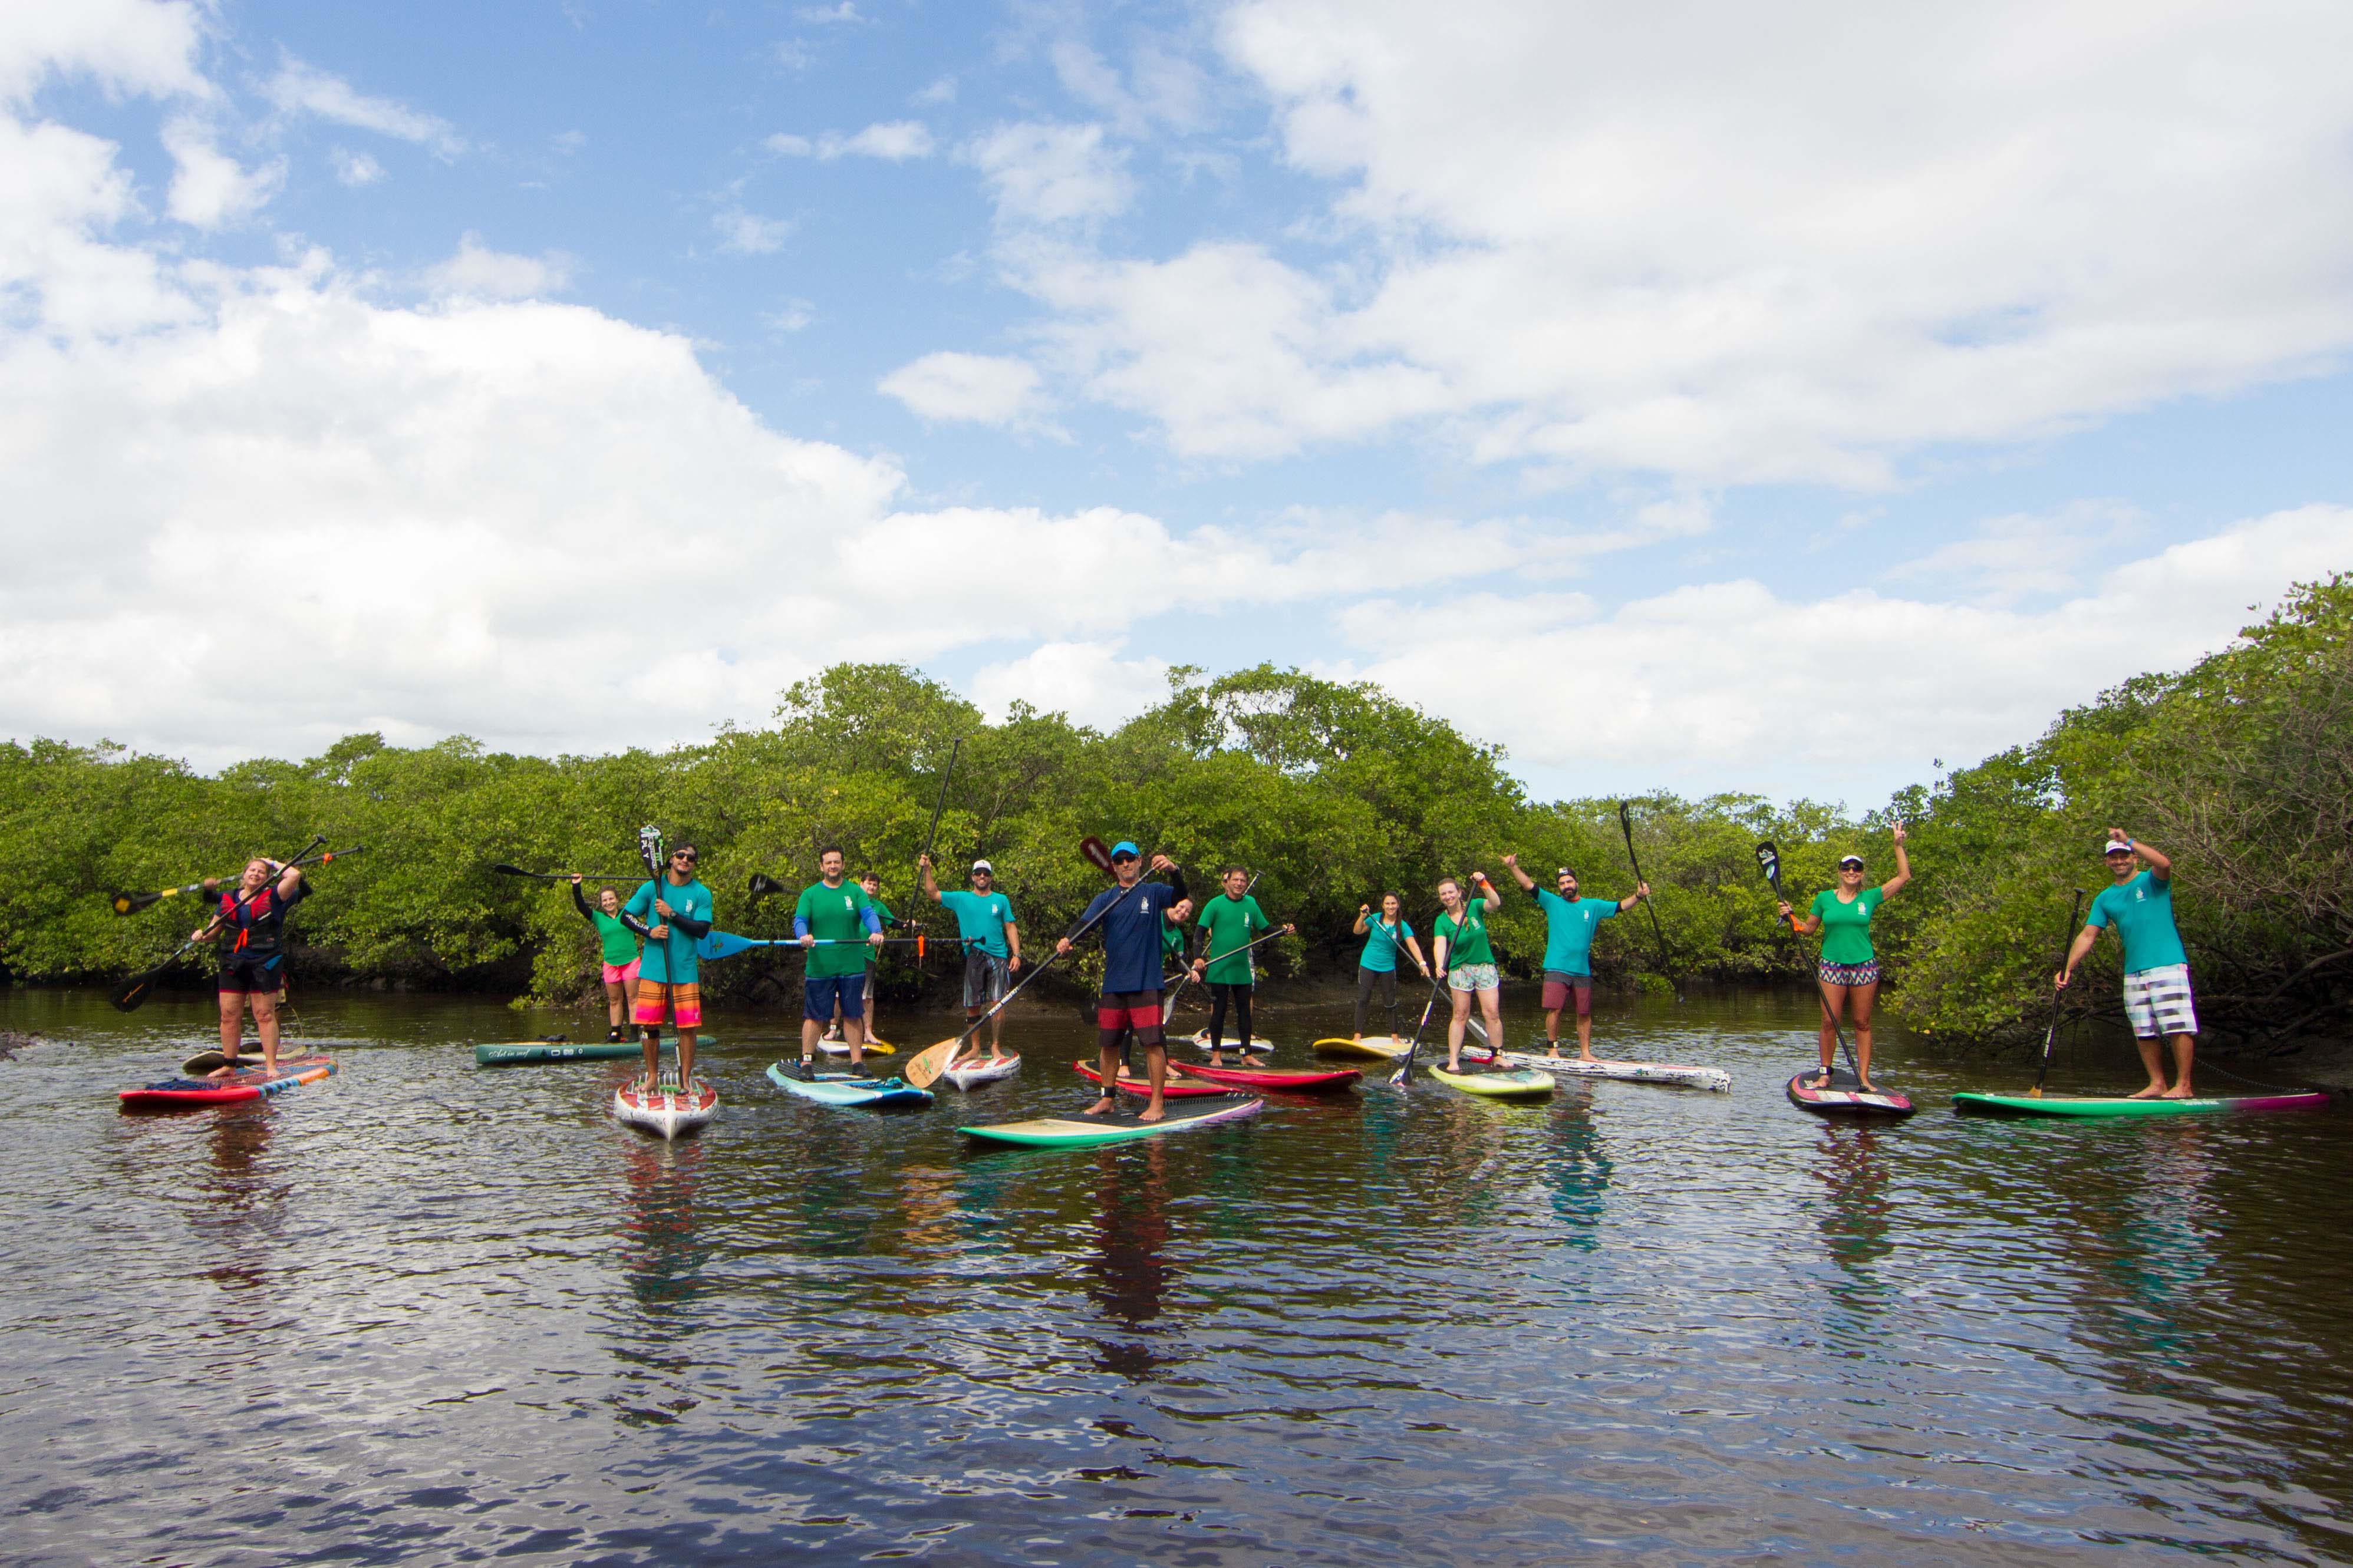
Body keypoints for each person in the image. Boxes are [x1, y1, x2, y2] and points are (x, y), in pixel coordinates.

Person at [2057, 829, 2199, 1098]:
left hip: (2167, 963)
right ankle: (2157, 1083)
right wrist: (2068, 967)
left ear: (2134, 858)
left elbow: (2165, 864)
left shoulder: (2152, 881)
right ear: (2107, 862)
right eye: (2114, 857)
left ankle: (2184, 1086)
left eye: (2124, 856)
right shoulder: (2105, 898)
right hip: (2134, 970)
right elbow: (2088, 935)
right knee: (2144, 1029)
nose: (2119, 861)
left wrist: (2129, 840)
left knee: (2177, 1025)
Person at [1056, 841, 1188, 1120]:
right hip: (1114, 983)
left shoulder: (1153, 892)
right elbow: (1083, 924)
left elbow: (1180, 896)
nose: (1125, 864)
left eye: (1130, 859)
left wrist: (1174, 870)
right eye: (1119, 860)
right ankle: (1107, 1098)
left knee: (1152, 1043)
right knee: (1108, 1044)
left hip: (1146, 982)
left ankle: (1157, 1104)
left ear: (1140, 861)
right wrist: (1068, 939)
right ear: (1114, 866)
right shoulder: (1105, 899)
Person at [1777, 823, 1910, 1093]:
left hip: (1864, 966)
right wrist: (1790, 917)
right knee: (1829, 1021)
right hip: (1832, 965)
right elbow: (1809, 929)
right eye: (1847, 868)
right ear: (1840, 872)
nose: (1851, 872)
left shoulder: (1871, 897)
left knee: (1862, 1022)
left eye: (1856, 869)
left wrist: (1898, 845)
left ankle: (1863, 1078)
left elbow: (1904, 876)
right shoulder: (1825, 898)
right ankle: (1825, 1074)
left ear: (1862, 874)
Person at [1503, 854, 1648, 1060]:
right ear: (1559, 888)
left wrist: (1639, 896)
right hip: (1556, 967)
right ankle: (1553, 1049)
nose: (1566, 886)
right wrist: (1513, 867)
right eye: (1562, 883)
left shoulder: (1593, 906)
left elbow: (1620, 906)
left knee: (1584, 1013)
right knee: (1555, 1009)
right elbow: (1529, 885)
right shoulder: (1551, 902)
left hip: (1582, 970)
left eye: (1569, 881)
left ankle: (1585, 1053)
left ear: (1576, 883)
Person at [192, 855, 308, 1077]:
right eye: (252, 870)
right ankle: (229, 1065)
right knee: (228, 1015)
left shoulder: (275, 895)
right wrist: (201, 936)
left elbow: (294, 874)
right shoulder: (227, 898)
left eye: (261, 872)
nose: (256, 874)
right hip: (233, 962)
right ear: (244, 875)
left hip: (264, 962)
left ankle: (271, 1066)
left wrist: (271, 862)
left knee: (264, 1014)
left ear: (268, 877)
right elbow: (213, 934)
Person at [624, 842, 714, 1094]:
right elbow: (626, 916)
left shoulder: (701, 893)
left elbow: (702, 929)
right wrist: (649, 931)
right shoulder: (653, 887)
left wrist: (672, 914)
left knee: (688, 1027)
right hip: (653, 969)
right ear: (671, 860)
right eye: (681, 856)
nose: (686, 860)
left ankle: (685, 1080)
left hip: (684, 970)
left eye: (691, 858)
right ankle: (652, 1077)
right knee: (649, 1026)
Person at [791, 847, 887, 1077]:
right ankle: (806, 1063)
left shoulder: (855, 892)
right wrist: (803, 935)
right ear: (821, 867)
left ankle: (857, 1063)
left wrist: (876, 931)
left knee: (853, 1014)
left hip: (851, 966)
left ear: (843, 865)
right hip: (820, 967)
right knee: (814, 1016)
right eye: (828, 863)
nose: (833, 866)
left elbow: (869, 914)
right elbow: (800, 920)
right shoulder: (810, 894)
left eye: (837, 862)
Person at [922, 854, 1022, 1064]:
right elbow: (933, 894)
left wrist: (1017, 954)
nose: (982, 877)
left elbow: (1010, 926)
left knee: (997, 1004)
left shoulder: (1001, 900)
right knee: (972, 1005)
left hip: (999, 957)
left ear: (991, 878)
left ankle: (995, 1046)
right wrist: (927, 869)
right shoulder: (962, 898)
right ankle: (975, 1048)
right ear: (973, 877)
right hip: (974, 956)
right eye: (979, 873)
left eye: (986, 874)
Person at [1189, 868, 1294, 1067]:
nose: (1239, 883)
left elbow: (1266, 930)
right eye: (1235, 880)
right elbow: (1199, 932)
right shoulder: (1215, 904)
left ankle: (1246, 1055)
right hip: (1220, 968)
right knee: (1218, 1012)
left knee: (1245, 1012)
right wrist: (1197, 958)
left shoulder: (1251, 905)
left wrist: (1283, 931)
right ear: (1227, 882)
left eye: (1243, 880)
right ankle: (1216, 1055)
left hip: (1241, 969)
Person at [1432, 872, 1504, 1072]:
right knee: (1460, 1015)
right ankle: (1453, 1060)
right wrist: (1439, 965)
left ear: (1460, 892)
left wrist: (1483, 883)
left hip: (1484, 967)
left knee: (1492, 1013)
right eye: (1443, 894)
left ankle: (1497, 1055)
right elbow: (1440, 944)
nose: (1447, 897)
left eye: (1450, 892)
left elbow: (1496, 903)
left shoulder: (1474, 906)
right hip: (1460, 970)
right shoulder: (1441, 921)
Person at [824, 871, 896, 1044]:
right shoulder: (850, 900)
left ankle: (868, 1033)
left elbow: (893, 922)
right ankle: (833, 1029)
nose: (871, 887)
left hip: (866, 956)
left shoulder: (878, 907)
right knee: (837, 994)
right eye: (868, 883)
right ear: (861, 884)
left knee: (867, 997)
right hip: (845, 954)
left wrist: (908, 924)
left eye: (875, 885)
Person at [1350, 892, 1431, 1041]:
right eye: (1387, 904)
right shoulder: (1375, 918)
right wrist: (1362, 916)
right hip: (1368, 964)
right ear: (1383, 905)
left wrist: (1422, 963)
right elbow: (1357, 931)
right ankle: (1357, 1036)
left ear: (1398, 905)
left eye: (1393, 904)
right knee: (1363, 999)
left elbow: (1412, 944)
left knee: (1390, 1002)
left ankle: (1395, 1037)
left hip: (1387, 967)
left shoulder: (1402, 925)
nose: (1390, 907)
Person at [571, 876, 642, 1041]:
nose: (608, 902)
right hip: (611, 964)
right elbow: (581, 906)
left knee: (633, 998)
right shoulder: (598, 918)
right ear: (601, 903)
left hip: (631, 961)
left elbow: (644, 900)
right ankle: (616, 1032)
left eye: (611, 898)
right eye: (605, 900)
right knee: (615, 1000)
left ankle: (634, 1034)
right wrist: (576, 886)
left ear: (617, 899)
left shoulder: (628, 913)